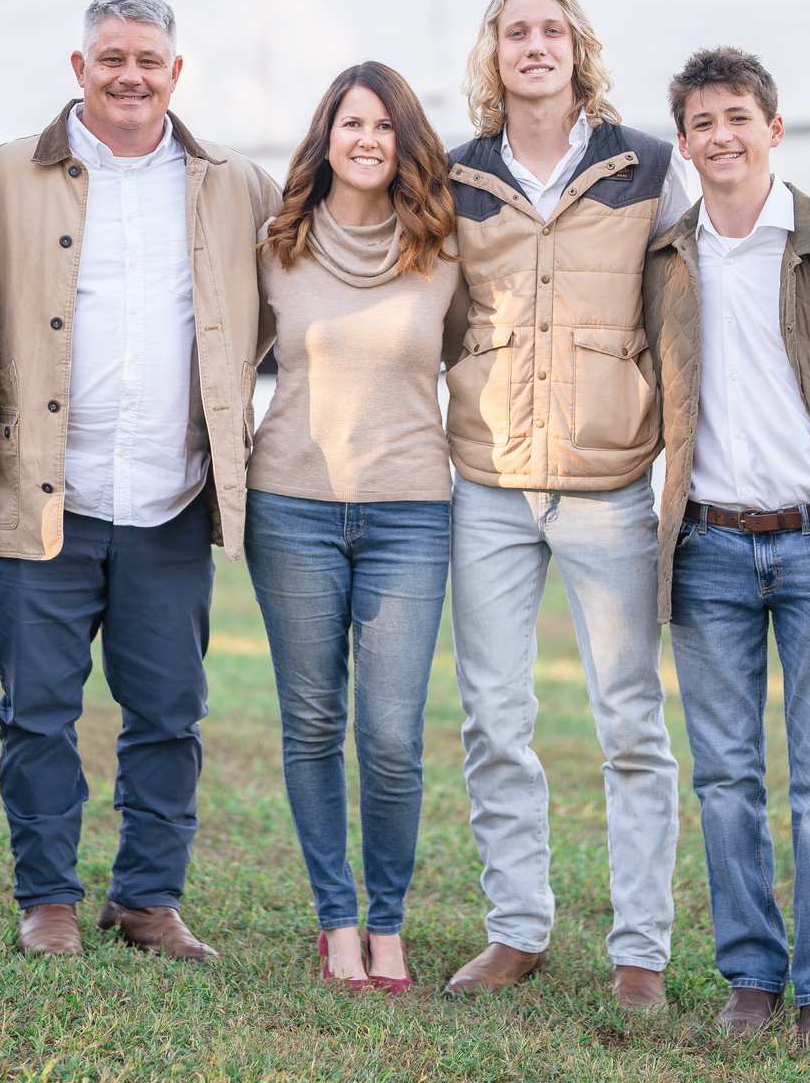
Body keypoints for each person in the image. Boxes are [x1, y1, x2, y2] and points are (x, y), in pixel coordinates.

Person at [0, 0, 279, 963]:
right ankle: (49, 900)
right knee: (38, 712)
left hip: (169, 501)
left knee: (168, 713)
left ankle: (147, 898)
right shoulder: (7, 175)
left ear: (174, 73)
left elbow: (272, 306)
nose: (129, 75)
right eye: (110, 57)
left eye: (148, 59)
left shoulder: (236, 183)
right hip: (44, 498)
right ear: (79, 68)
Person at [643, 47, 810, 1052]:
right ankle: (749, 975)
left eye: (736, 117)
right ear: (684, 141)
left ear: (772, 128)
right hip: (706, 545)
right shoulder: (668, 258)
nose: (720, 135)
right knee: (723, 777)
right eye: (701, 121)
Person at [442, 0, 687, 1008]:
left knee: (628, 720)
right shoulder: (454, 173)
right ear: (492, 53)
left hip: (606, 481)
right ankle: (517, 927)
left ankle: (639, 949)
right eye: (513, 31)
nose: (532, 45)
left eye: (549, 29)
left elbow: (687, 301)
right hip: (487, 480)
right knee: (491, 716)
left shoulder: (648, 166)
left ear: (576, 48)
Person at [244, 62, 465, 991]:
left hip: (412, 511)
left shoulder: (449, 249)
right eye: (350, 123)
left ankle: (390, 922)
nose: (367, 140)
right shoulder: (275, 246)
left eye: (384, 126)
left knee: (391, 732)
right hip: (290, 503)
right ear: (325, 136)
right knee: (311, 719)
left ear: (405, 142)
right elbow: (225, 353)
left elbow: (468, 358)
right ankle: (336, 920)